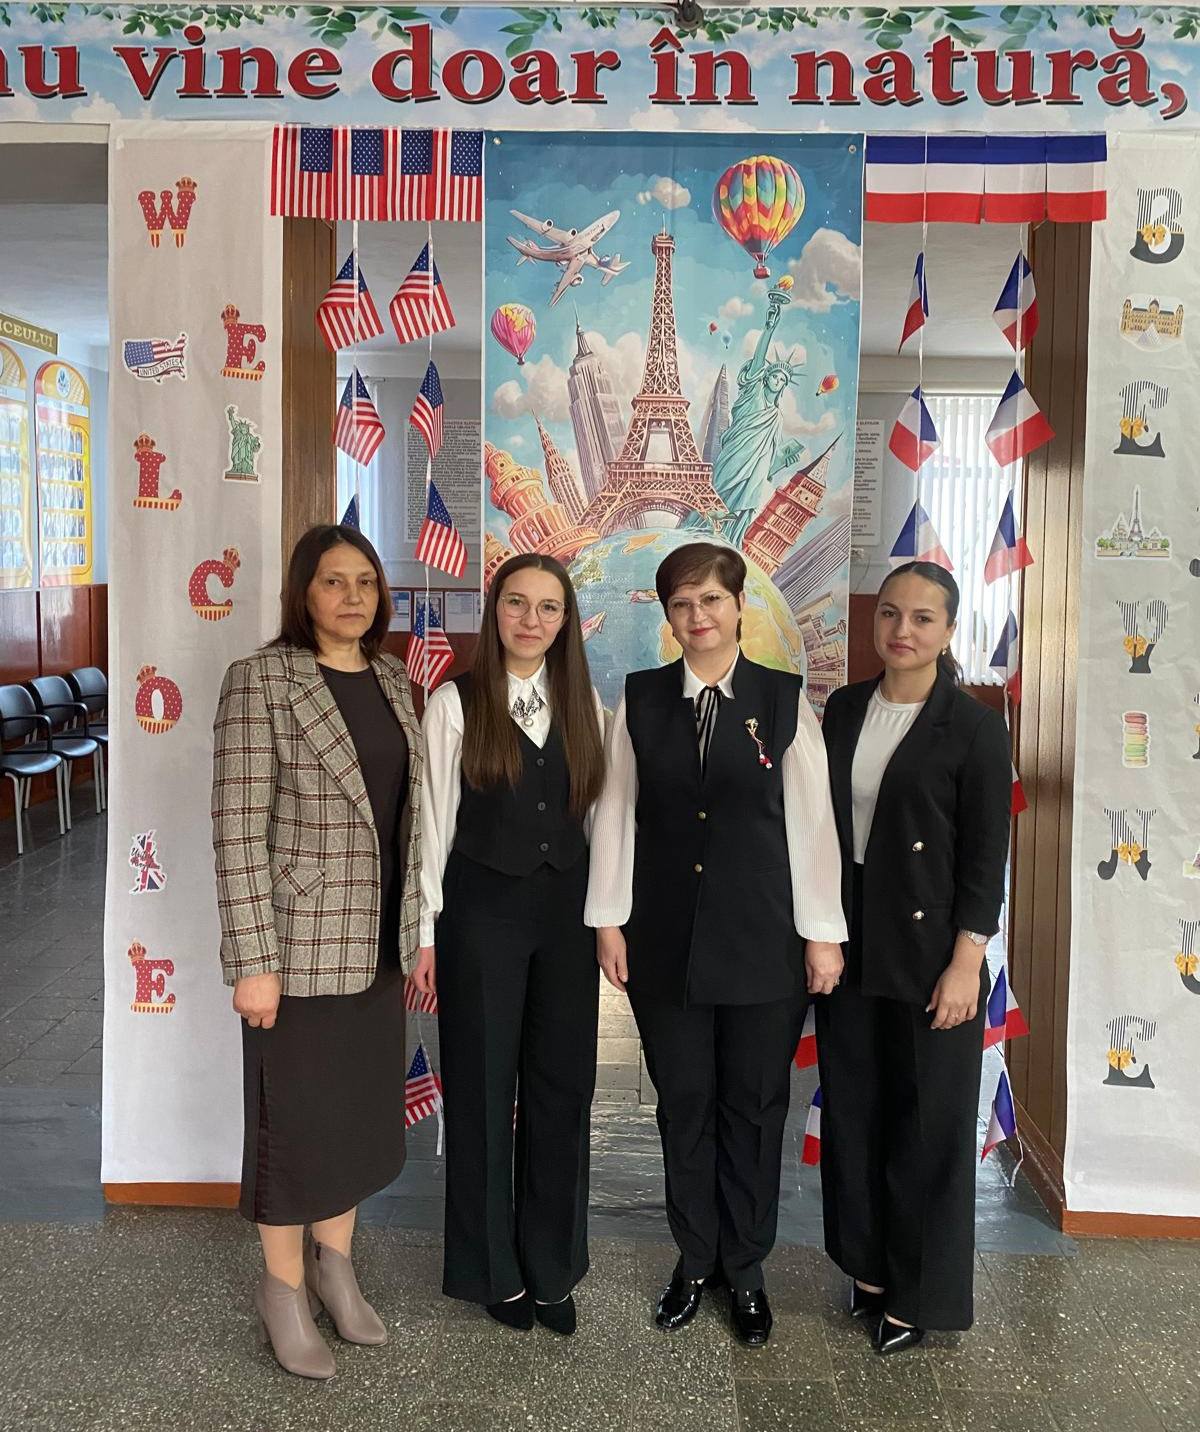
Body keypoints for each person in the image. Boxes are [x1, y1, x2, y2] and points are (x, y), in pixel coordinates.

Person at [585, 541, 846, 1348]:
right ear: (667, 616)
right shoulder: (641, 699)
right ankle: (695, 1258)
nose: (697, 616)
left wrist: (823, 937)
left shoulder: (783, 699)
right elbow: (615, 812)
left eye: (711, 600)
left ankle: (748, 1266)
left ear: (739, 607)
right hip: (666, 944)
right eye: (682, 604)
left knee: (756, 1107)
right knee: (685, 1103)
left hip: (765, 942)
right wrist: (608, 919)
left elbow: (812, 826)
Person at [212, 524, 423, 1380]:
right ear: (303, 591)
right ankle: (284, 1290)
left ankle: (338, 1270)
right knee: (294, 1126)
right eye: (334, 582)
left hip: (378, 946)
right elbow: (237, 830)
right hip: (295, 951)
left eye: (366, 582)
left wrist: (419, 932)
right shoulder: (261, 680)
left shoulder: (394, 679)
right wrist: (252, 961)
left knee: (356, 1121)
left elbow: (407, 820)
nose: (352, 598)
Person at [816, 561, 1012, 1355]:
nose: (903, 630)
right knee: (855, 1110)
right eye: (891, 614)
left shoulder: (974, 727)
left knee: (927, 1124)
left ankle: (919, 1295)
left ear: (949, 630)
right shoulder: (843, 708)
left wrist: (968, 961)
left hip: (934, 949)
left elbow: (985, 859)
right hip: (848, 935)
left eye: (923, 618)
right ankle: (867, 1270)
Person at [413, 554, 605, 1335]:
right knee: (484, 1089)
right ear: (495, 612)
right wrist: (424, 933)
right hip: (480, 914)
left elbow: (599, 820)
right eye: (517, 603)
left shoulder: (585, 702)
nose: (532, 619)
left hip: (566, 918)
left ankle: (552, 1268)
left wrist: (607, 918)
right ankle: (492, 1269)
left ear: (566, 621)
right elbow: (431, 823)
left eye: (549, 607)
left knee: (563, 1089)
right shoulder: (454, 703)